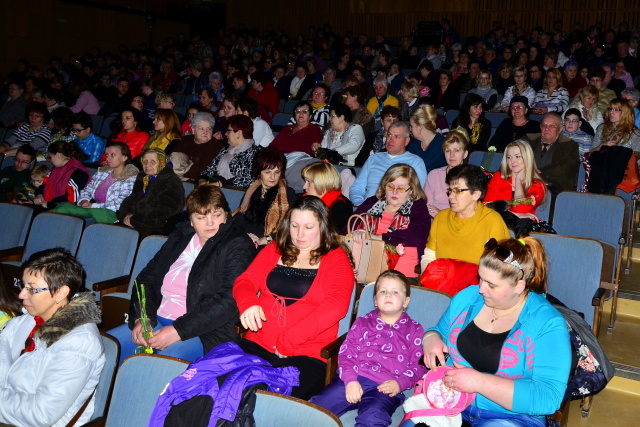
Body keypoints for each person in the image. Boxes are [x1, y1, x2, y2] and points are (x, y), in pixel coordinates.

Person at [421, 236, 571, 426]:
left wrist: (479, 382)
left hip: (511, 417)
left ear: (519, 286)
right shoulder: (467, 297)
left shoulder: (547, 323)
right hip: (450, 402)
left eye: (491, 285)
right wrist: (431, 338)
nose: (481, 289)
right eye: (480, 278)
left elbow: (548, 398)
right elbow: (439, 331)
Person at [108, 185, 256, 363]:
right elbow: (145, 279)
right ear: (191, 221)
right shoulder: (180, 236)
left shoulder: (238, 244)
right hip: (155, 320)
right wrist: (142, 318)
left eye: (216, 215)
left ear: (226, 215)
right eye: (201, 217)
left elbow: (229, 300)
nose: (210, 223)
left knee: (156, 366)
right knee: (106, 348)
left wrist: (178, 330)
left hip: (203, 331)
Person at [233, 196, 355, 399]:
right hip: (257, 344)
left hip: (306, 355)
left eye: (308, 227)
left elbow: (336, 306)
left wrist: (288, 341)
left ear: (323, 226)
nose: (299, 234)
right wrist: (248, 303)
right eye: (295, 225)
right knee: (215, 382)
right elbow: (245, 281)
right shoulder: (274, 250)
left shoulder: (335, 258)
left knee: (263, 398)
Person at [0, 248, 105, 426]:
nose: (21, 295)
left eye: (32, 289)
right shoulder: (27, 320)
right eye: (23, 286)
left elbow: (41, 414)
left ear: (60, 293)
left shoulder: (79, 342)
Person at [310, 270, 427, 425]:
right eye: (383, 291)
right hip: (354, 378)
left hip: (386, 388)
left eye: (395, 292)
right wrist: (350, 380)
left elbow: (419, 366)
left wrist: (400, 384)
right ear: (375, 300)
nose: (388, 295)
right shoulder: (362, 323)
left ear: (406, 302)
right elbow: (347, 353)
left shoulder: (415, 330)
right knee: (315, 409)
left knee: (373, 419)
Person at [421, 164, 510, 272]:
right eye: (450, 190)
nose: (450, 196)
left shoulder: (492, 220)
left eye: (457, 191)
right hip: (441, 279)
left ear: (476, 194)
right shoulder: (441, 217)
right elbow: (429, 256)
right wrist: (430, 276)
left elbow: (500, 266)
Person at [351, 164, 430, 279]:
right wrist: (357, 233)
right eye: (390, 186)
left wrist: (377, 238)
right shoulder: (371, 202)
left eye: (401, 188)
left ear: (411, 190)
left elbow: (417, 236)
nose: (394, 192)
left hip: (401, 275)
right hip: (364, 269)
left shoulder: (418, 207)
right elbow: (347, 230)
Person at [51, 142, 138, 223]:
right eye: (107, 155)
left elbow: (121, 204)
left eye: (113, 155)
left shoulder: (130, 178)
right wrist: (84, 200)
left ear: (124, 157)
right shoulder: (103, 172)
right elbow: (87, 189)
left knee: (66, 210)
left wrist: (93, 206)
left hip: (111, 213)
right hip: (93, 207)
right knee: (64, 207)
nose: (108, 158)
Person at [349, 122, 427, 205]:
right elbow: (357, 187)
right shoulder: (374, 158)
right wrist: (360, 205)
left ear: (406, 141)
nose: (391, 140)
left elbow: (418, 194)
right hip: (368, 207)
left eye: (397, 137)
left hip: (397, 209)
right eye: (389, 135)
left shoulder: (415, 162)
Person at [234, 148, 297, 247]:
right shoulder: (251, 191)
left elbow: (290, 227)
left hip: (270, 242)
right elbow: (239, 221)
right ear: (259, 173)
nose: (273, 177)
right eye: (267, 172)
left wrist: (262, 240)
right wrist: (245, 237)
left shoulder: (288, 194)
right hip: (245, 239)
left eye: (277, 172)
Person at [117, 148, 184, 238]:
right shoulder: (143, 178)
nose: (147, 165)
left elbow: (166, 211)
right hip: (135, 223)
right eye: (145, 161)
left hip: (154, 229)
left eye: (153, 161)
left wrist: (134, 220)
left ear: (161, 162)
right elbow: (130, 200)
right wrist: (126, 215)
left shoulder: (171, 181)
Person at [484, 141, 547, 220]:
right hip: (495, 223)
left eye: (517, 156)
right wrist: (513, 214)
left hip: (520, 227)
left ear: (527, 158)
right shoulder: (498, 178)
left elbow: (520, 211)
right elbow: (485, 207)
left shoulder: (538, 185)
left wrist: (518, 181)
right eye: (509, 157)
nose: (512, 161)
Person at [522, 113, 581, 193]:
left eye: (552, 126)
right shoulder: (527, 140)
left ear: (560, 129)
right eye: (544, 125)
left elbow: (567, 168)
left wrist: (537, 173)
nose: (547, 128)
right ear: (540, 127)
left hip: (555, 188)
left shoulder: (569, 145)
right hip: (525, 184)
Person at [199, 115, 261, 188]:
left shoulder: (255, 153)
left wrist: (219, 184)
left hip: (235, 192)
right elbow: (209, 169)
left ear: (239, 133)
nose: (225, 134)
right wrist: (202, 180)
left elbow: (247, 180)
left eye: (228, 131)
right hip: (214, 188)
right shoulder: (225, 149)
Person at [33, 141, 90, 211]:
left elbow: (72, 198)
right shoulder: (55, 169)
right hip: (51, 206)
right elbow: (45, 185)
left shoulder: (78, 173)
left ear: (58, 155)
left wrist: (50, 204)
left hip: (64, 210)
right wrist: (39, 195)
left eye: (50, 157)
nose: (50, 160)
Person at [425, 129, 469, 218]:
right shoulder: (434, 175)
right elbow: (427, 205)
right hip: (434, 219)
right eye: (448, 151)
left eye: (457, 150)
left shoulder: (470, 177)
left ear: (465, 154)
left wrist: (441, 213)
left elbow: (468, 210)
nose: (452, 155)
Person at [301, 161, 353, 232]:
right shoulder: (304, 200)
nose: (304, 187)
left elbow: (331, 234)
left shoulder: (341, 206)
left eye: (309, 182)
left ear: (322, 183)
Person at [172, 112, 224, 181]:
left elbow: (201, 168)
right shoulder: (186, 139)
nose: (205, 132)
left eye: (209, 129)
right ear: (193, 129)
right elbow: (173, 158)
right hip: (174, 175)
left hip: (193, 180)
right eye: (201, 128)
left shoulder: (215, 145)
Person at [407, 104, 447, 173]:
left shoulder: (443, 145)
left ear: (420, 128)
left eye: (411, 126)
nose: (410, 129)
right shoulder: (413, 145)